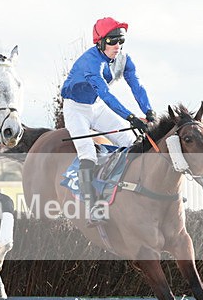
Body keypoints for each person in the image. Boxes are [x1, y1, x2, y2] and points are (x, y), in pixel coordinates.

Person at [60, 16, 155, 218]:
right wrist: (130, 117)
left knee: (131, 143)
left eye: (121, 40)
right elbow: (106, 94)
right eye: (112, 41)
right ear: (100, 42)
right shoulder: (90, 62)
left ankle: (139, 195)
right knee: (88, 154)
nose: (117, 45)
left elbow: (136, 85)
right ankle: (93, 207)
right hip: (76, 109)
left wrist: (149, 112)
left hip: (97, 107)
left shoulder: (124, 59)